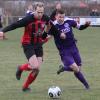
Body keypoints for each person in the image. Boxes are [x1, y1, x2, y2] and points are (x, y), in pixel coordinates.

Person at [0, 2, 50, 92]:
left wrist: (58, 34)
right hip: (28, 43)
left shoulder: (45, 18)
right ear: (34, 10)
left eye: (42, 12)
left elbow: (51, 27)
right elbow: (15, 25)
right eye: (38, 12)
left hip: (38, 44)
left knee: (37, 69)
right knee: (35, 66)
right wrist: (3, 31)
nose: (40, 14)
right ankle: (21, 68)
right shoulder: (28, 19)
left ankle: (25, 86)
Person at [48, 10, 90, 89]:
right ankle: (86, 85)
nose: (61, 19)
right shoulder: (53, 26)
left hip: (73, 48)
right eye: (60, 17)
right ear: (56, 16)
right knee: (75, 68)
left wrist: (86, 25)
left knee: (78, 68)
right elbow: (47, 36)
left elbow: (80, 27)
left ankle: (64, 68)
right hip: (64, 51)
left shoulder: (69, 21)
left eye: (63, 17)